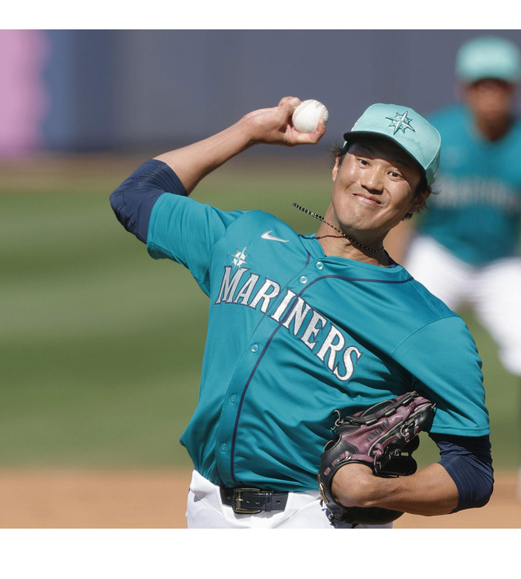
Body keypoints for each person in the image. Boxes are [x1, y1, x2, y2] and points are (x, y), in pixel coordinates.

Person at [110, 96, 493, 528]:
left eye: (396, 173)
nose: (372, 181)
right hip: (205, 510)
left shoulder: (428, 324)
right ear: (337, 165)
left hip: (317, 520)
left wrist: (376, 491)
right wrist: (247, 132)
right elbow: (134, 196)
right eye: (363, 160)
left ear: (418, 200)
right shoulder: (246, 238)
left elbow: (472, 470)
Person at [385, 35, 521, 506]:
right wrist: (387, 274)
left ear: (514, 89)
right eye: (481, 84)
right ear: (463, 88)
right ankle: (376, 454)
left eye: (499, 84)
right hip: (439, 253)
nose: (490, 93)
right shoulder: (436, 139)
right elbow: (402, 212)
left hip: (502, 262)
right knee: (394, 345)